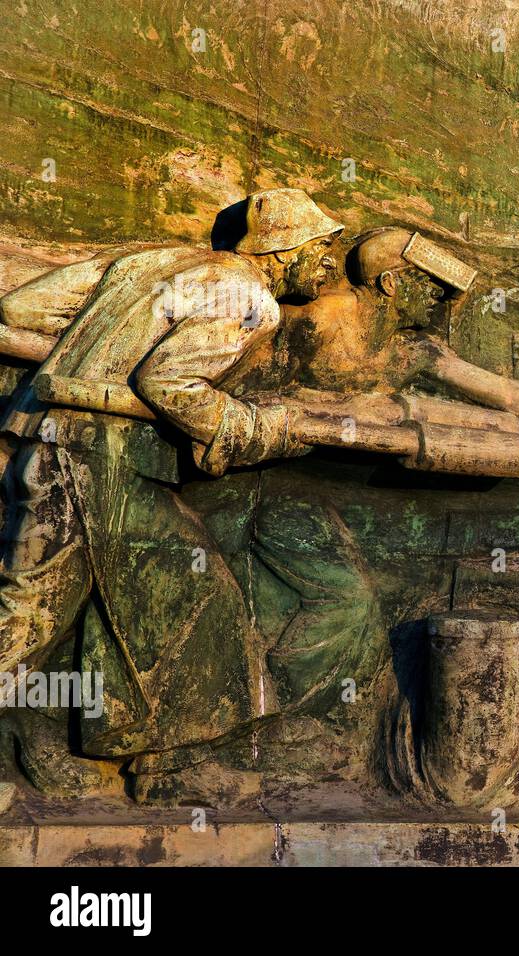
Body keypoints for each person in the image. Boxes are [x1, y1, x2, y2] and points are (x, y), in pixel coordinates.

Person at [0, 187, 342, 799]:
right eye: (321, 248)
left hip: (61, 440)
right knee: (31, 613)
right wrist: (252, 429)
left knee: (173, 593)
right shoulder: (250, 297)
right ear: (284, 250)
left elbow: (23, 306)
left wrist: (99, 347)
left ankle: (158, 762)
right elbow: (171, 382)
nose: (330, 264)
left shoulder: (153, 265)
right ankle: (166, 766)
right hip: (99, 453)